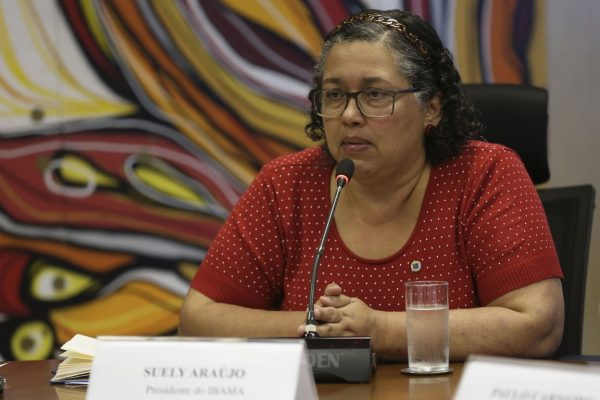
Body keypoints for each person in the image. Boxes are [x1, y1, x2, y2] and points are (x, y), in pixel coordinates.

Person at [178, 9, 564, 360]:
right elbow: (199, 319)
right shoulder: (286, 184)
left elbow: (537, 324)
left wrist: (379, 330)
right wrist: (324, 327)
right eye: (334, 95)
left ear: (431, 107)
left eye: (375, 94)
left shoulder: (483, 173)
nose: (349, 115)